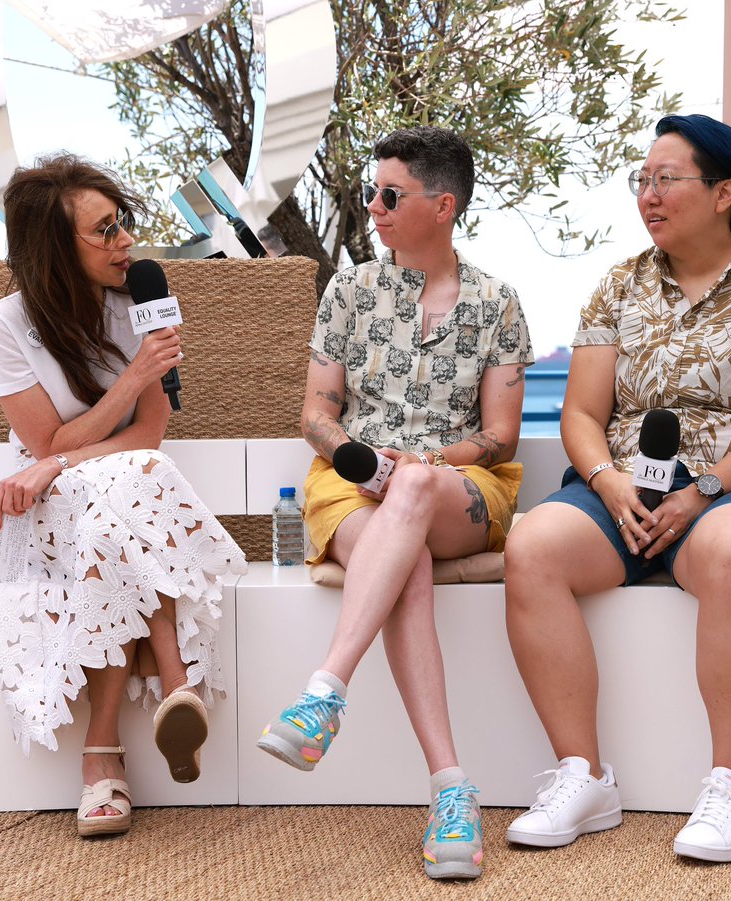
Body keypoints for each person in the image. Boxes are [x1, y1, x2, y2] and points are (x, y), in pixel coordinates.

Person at [503, 114, 731, 863]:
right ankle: (583, 775)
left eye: (665, 179)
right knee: (534, 545)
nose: (648, 194)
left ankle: (730, 786)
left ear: (723, 193)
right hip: (624, 488)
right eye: (640, 180)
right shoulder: (619, 283)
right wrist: (609, 482)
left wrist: (703, 489)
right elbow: (582, 411)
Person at [256, 126, 533, 880]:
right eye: (368, 193)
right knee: (400, 558)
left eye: (388, 194)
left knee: (411, 490)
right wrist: (358, 457)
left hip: (458, 489)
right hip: (350, 481)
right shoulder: (348, 291)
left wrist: (420, 464)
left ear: (443, 206)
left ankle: (324, 692)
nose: (371, 207)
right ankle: (452, 789)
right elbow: (315, 412)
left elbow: (501, 438)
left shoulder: (497, 303)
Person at [0, 152, 246, 837]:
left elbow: (150, 434)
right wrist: (126, 383)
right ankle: (176, 674)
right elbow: (42, 444)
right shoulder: (6, 324)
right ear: (53, 251)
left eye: (122, 221)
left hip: (123, 488)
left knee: (122, 495)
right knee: (120, 493)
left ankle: (103, 760)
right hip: (36, 506)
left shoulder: (144, 301)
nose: (126, 239)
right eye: (104, 230)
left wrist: (61, 461)